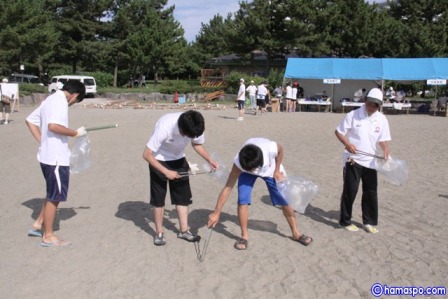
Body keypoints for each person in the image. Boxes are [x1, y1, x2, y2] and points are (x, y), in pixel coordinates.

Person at [207, 137, 313, 250]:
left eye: (252, 169)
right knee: (242, 199)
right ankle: (244, 236)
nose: (251, 171)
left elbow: (280, 150)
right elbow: (228, 187)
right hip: (246, 172)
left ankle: (296, 233)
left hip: (271, 171)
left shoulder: (271, 149)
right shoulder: (239, 163)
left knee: (284, 200)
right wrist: (216, 212)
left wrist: (277, 170)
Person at [25, 80, 87, 247]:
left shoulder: (50, 99)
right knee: (55, 196)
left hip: (47, 156)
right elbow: (53, 126)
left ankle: (38, 224)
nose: (73, 104)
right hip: (56, 158)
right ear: (74, 95)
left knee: (52, 192)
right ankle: (48, 236)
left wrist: (42, 141)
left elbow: (30, 120)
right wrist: (75, 133)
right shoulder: (60, 101)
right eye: (76, 101)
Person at [143, 110, 218, 246]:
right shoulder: (165, 126)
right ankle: (159, 233)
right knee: (158, 198)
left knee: (183, 197)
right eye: (188, 135)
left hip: (179, 159)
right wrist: (166, 172)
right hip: (158, 159)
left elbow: (197, 144)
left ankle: (184, 231)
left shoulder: (195, 124)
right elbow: (147, 155)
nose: (192, 137)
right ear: (181, 129)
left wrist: (209, 159)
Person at [335, 88, 391, 234]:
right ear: (365, 101)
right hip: (353, 159)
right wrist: (348, 145)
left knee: (371, 192)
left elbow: (383, 139)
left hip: (371, 161)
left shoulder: (382, 119)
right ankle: (345, 221)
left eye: (376, 105)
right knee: (350, 191)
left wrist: (385, 150)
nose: (372, 107)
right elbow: (339, 132)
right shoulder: (353, 115)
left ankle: (369, 222)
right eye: (370, 103)